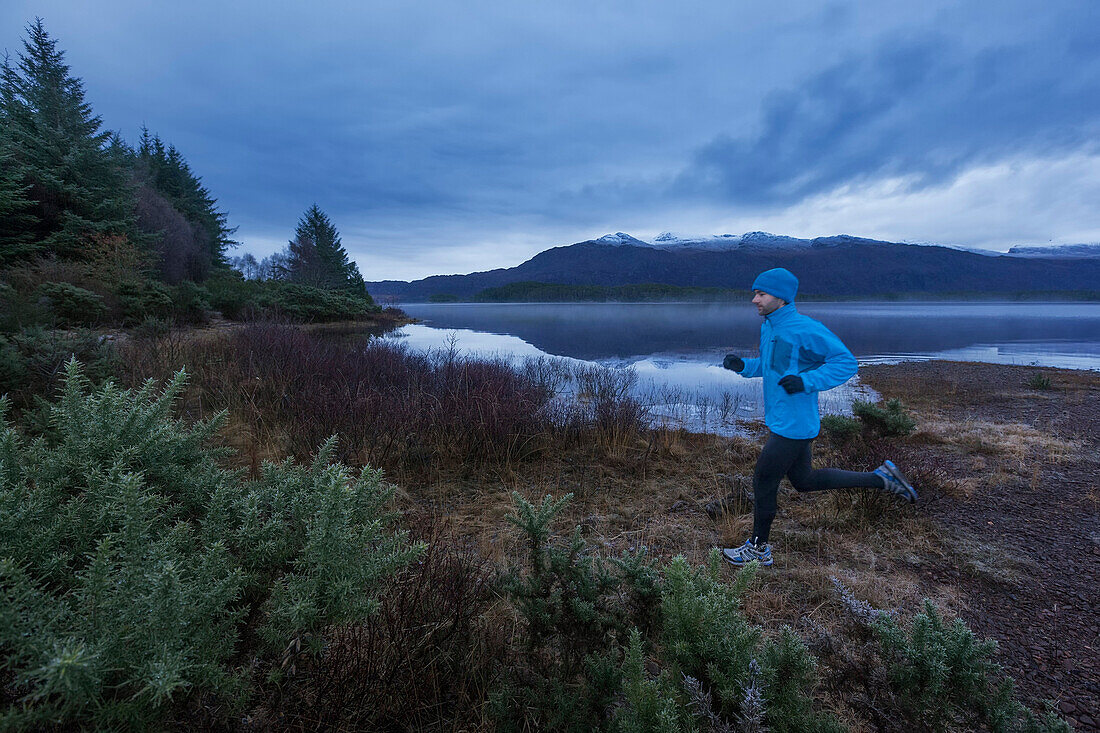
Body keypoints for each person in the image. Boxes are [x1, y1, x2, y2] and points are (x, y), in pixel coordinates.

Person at [720, 267, 916, 567]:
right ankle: (882, 479)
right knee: (805, 481)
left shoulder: (804, 328)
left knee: (763, 479)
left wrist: (807, 382)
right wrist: (743, 366)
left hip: (794, 423)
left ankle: (759, 550)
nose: (754, 300)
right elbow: (773, 366)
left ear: (781, 298)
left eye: (761, 294)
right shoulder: (771, 327)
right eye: (755, 293)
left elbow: (846, 362)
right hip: (784, 419)